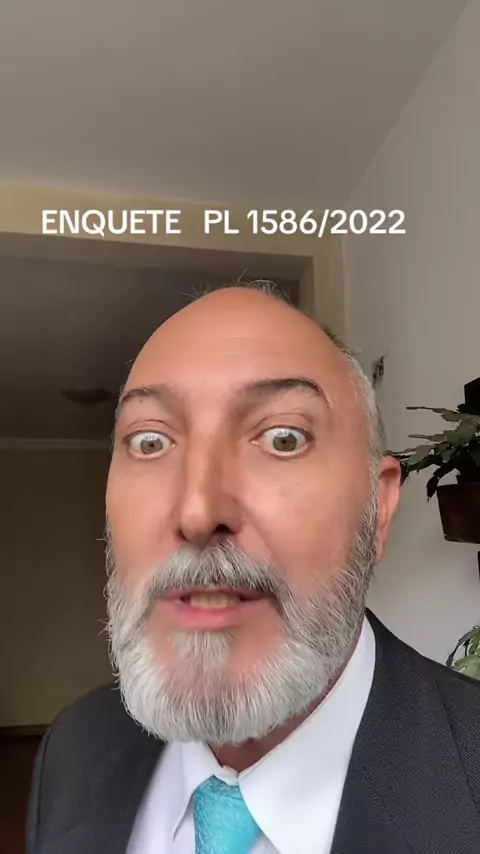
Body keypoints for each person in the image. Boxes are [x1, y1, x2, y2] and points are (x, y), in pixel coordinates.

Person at [27, 283, 480, 854]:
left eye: (283, 439)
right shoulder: (72, 748)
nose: (198, 511)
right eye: (150, 442)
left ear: (378, 509)